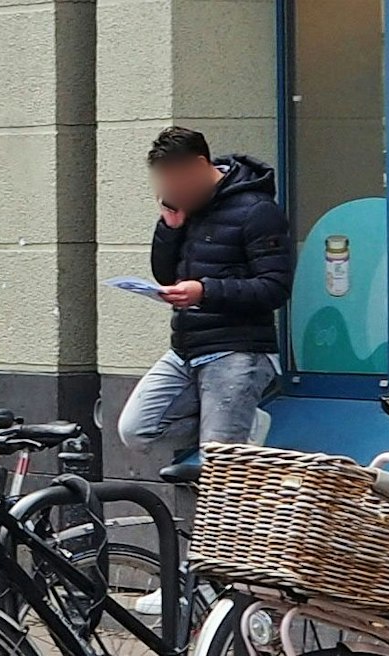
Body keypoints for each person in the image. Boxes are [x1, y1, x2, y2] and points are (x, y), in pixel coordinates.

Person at [117, 127, 291, 463]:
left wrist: (205, 292)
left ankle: (236, 429)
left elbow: (275, 287)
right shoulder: (187, 208)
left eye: (175, 181)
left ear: (198, 166)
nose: (170, 190)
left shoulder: (257, 210)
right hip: (187, 347)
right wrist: (170, 228)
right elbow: (166, 275)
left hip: (239, 349)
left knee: (219, 465)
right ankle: (244, 424)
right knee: (137, 430)